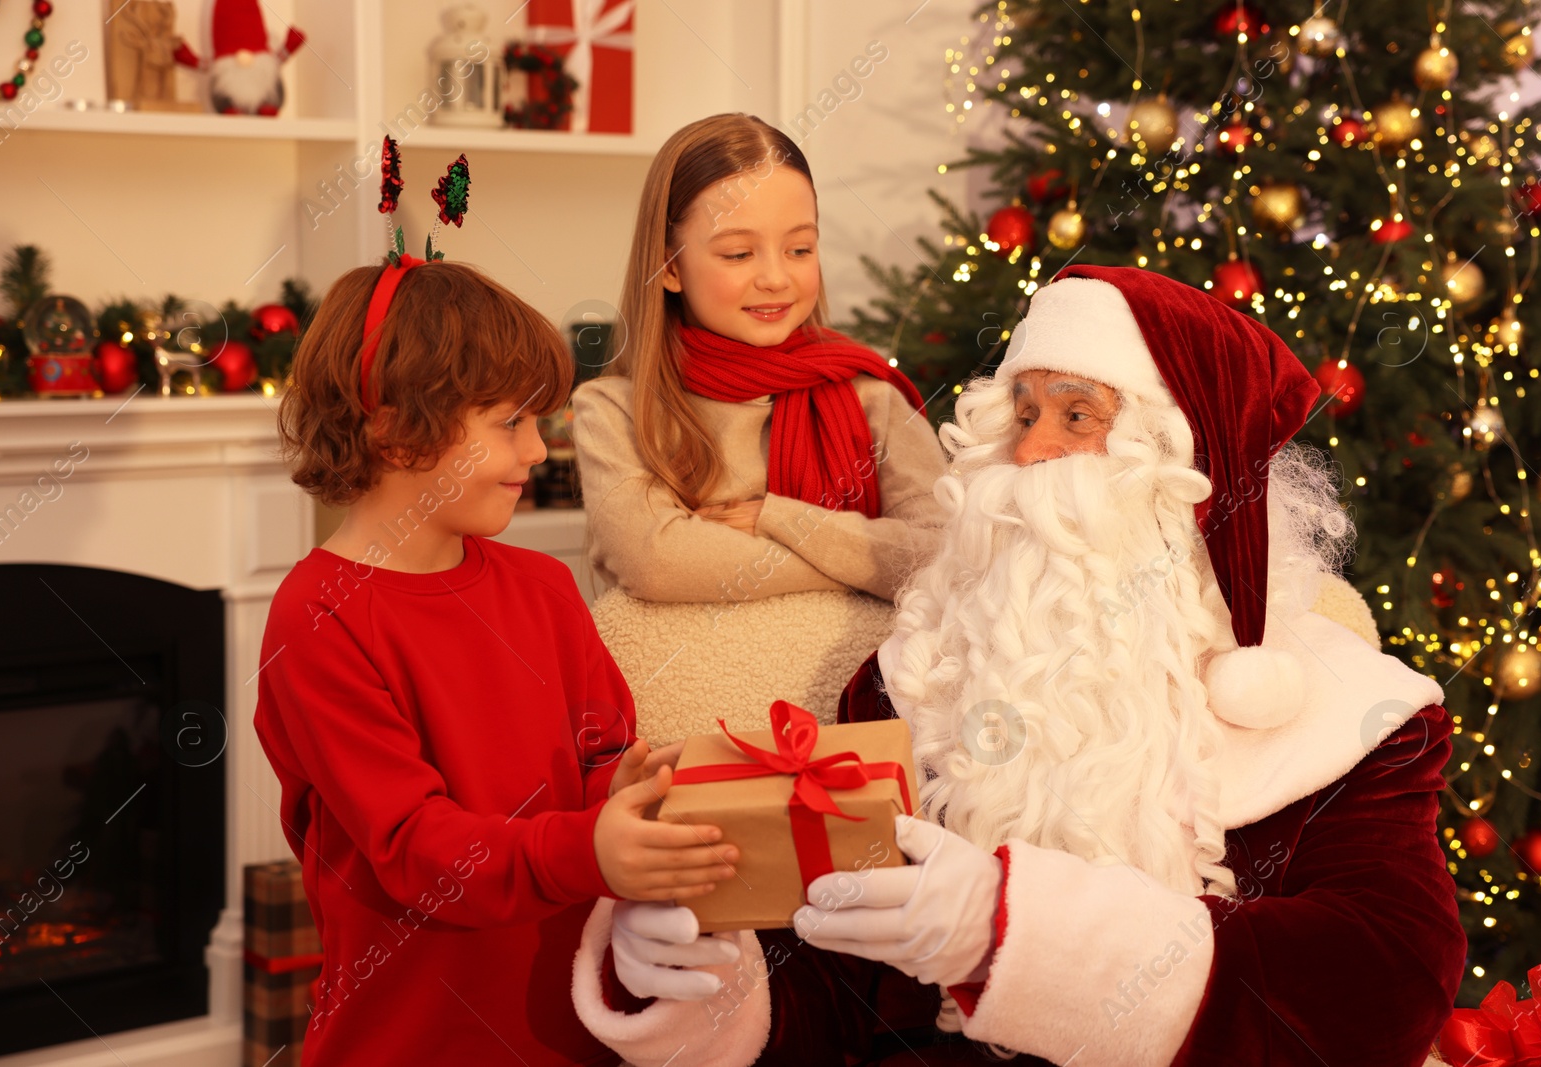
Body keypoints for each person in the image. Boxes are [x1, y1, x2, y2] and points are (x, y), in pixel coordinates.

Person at [568, 266, 1467, 1066]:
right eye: (1023, 414)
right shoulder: (911, 678)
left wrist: (1009, 934)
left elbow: (1381, 983)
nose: (1031, 452)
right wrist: (713, 979)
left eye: (1077, 417)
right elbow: (837, 980)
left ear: (1182, 464)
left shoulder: (1352, 711)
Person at [256, 256, 735, 1066]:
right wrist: (588, 848)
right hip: (407, 1042)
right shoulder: (317, 618)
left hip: (573, 1031)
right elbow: (416, 846)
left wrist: (626, 789)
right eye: (510, 422)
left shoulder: (543, 588)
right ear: (393, 426)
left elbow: (595, 757)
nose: (540, 450)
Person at [571, 112, 948, 745]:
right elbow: (656, 560)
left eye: (800, 248)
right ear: (669, 266)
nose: (776, 276)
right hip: (682, 753)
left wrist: (781, 518)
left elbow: (939, 554)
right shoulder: (614, 409)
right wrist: (858, 560)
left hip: (861, 745)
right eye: (739, 253)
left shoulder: (871, 399)